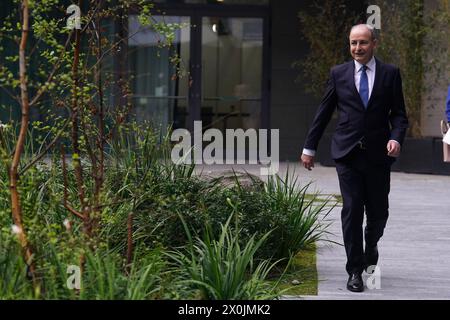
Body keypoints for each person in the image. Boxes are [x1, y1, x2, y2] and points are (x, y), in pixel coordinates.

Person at [300, 24, 409, 293]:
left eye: (362, 42)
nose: (357, 48)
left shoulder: (390, 74)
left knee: (378, 213)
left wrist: (395, 137)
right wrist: (309, 147)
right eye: (352, 43)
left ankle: (371, 244)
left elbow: (399, 115)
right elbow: (323, 112)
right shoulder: (338, 74)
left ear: (374, 43)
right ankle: (355, 271)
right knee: (351, 211)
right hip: (346, 155)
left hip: (378, 157)